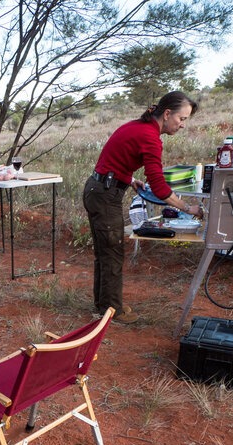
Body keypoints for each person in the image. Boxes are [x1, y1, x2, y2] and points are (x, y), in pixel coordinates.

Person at [82, 90, 205, 324]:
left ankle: (104, 306)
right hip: (105, 194)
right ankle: (112, 312)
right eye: (182, 119)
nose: (182, 125)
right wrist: (188, 209)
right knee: (112, 252)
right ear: (167, 114)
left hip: (98, 189)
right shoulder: (150, 136)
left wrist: (129, 179)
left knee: (105, 252)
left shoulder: (138, 127)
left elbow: (112, 159)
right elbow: (159, 187)